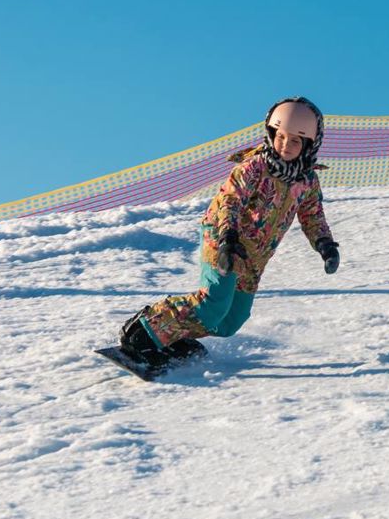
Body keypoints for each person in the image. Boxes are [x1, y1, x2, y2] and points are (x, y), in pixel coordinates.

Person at [117, 96, 340, 369]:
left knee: (230, 322)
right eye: (281, 136)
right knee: (212, 304)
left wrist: (325, 245)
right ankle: (143, 330)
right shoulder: (254, 167)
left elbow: (312, 215)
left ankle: (175, 335)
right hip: (224, 237)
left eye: (295, 140)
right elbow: (229, 202)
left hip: (255, 254)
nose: (285, 145)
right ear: (271, 133)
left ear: (309, 145)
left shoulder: (306, 180)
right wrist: (226, 238)